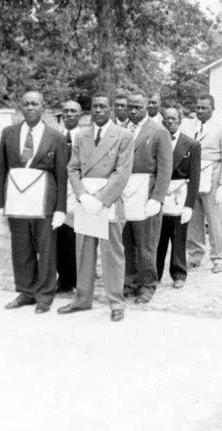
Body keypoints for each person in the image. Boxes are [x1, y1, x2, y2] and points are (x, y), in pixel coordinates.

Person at [60, 93, 133, 322]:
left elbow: (122, 172)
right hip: (85, 201)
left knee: (112, 252)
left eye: (103, 106)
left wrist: (100, 199)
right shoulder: (82, 135)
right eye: (94, 107)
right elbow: (72, 168)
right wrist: (82, 195)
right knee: (83, 251)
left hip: (107, 202)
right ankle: (83, 299)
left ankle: (116, 302)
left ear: (111, 109)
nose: (98, 111)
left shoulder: (123, 136)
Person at [0, 91, 68, 314]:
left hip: (44, 199)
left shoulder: (55, 136)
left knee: (45, 248)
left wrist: (61, 209)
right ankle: (26, 291)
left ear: (43, 107)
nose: (30, 108)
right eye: (25, 104)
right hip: (17, 198)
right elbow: (1, 171)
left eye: (35, 104)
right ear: (20, 107)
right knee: (21, 246)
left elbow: (61, 175)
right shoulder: (8, 133)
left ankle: (45, 294)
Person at [122, 92, 172, 304]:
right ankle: (130, 282)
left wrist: (157, 197)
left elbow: (165, 168)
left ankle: (147, 285)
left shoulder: (159, 131)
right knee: (127, 240)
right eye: (130, 107)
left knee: (146, 243)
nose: (133, 111)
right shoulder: (122, 130)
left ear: (147, 108)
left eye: (138, 107)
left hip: (146, 193)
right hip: (124, 192)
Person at [187, 94, 222, 273]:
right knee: (193, 217)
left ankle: (219, 257)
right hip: (192, 175)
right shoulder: (189, 125)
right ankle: (195, 254)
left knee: (216, 219)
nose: (200, 111)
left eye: (204, 108)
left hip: (213, 175)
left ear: (213, 109)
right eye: (198, 107)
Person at [156, 105, 201, 289]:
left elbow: (195, 177)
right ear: (163, 121)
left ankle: (179, 274)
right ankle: (155, 273)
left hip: (179, 194)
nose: (170, 122)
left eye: (174, 119)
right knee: (158, 237)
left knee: (178, 236)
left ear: (180, 120)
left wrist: (189, 205)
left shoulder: (191, 144)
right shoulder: (157, 141)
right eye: (167, 119)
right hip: (160, 193)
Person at [56, 100, 81, 294]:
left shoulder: (85, 136)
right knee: (59, 235)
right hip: (59, 191)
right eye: (66, 111)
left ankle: (77, 278)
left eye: (74, 111)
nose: (70, 115)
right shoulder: (56, 136)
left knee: (76, 236)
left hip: (79, 190)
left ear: (80, 115)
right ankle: (63, 279)